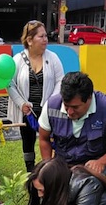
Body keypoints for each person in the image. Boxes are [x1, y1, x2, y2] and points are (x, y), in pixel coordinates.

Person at [38, 71, 106, 174]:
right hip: (62, 164)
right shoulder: (51, 106)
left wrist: (102, 162)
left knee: (87, 189)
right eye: (66, 105)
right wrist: (48, 166)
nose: (69, 112)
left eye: (75, 107)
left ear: (89, 98)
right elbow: (44, 138)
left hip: (93, 166)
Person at [6, 20, 64, 172]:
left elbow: (60, 81)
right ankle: (30, 171)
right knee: (28, 140)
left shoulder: (53, 58)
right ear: (29, 40)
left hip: (48, 110)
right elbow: (9, 83)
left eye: (46, 36)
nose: (46, 39)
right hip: (27, 111)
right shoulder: (18, 60)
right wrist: (21, 104)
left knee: (51, 139)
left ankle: (50, 169)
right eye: (41, 36)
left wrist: (51, 102)